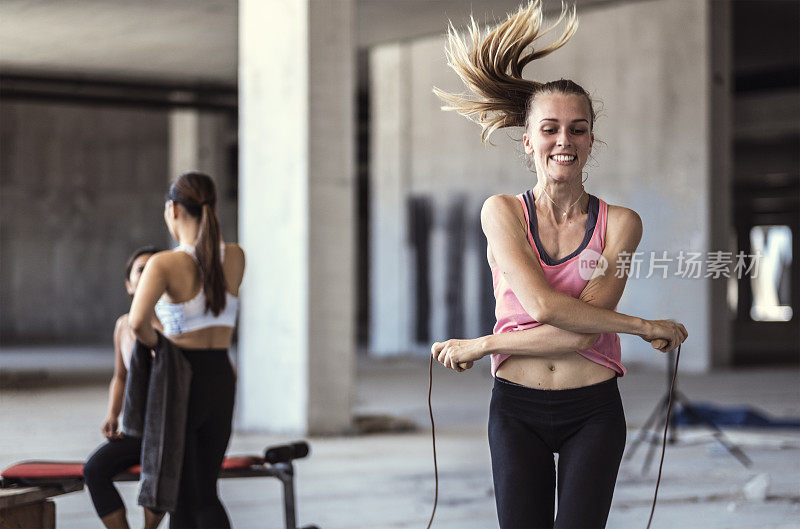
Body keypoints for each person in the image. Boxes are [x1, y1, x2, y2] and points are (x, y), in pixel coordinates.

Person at [430, 2, 688, 528]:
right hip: (515, 409)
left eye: (578, 129)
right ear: (528, 141)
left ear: (592, 139)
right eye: (550, 129)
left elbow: (574, 335)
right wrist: (642, 328)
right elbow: (547, 306)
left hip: (592, 410)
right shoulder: (501, 212)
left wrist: (483, 343)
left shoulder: (621, 223)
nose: (564, 141)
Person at [128, 171, 245, 528]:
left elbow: (137, 324)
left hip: (182, 379)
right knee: (206, 490)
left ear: (173, 209)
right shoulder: (236, 256)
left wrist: (159, 345)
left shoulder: (164, 263)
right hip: (221, 376)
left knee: (182, 494)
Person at [83, 246, 164, 529]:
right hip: (136, 428)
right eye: (142, 269)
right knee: (94, 469)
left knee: (160, 472)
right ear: (129, 285)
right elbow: (120, 376)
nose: (149, 273)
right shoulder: (123, 327)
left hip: (166, 429)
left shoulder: (174, 324)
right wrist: (112, 414)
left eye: (156, 267)